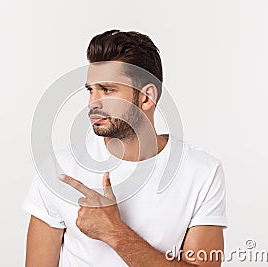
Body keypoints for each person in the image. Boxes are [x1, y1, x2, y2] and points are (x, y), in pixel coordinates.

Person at [22, 29, 227, 267]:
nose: (92, 103)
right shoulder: (60, 170)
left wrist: (114, 232)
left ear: (147, 97)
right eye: (91, 90)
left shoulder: (202, 172)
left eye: (107, 89)